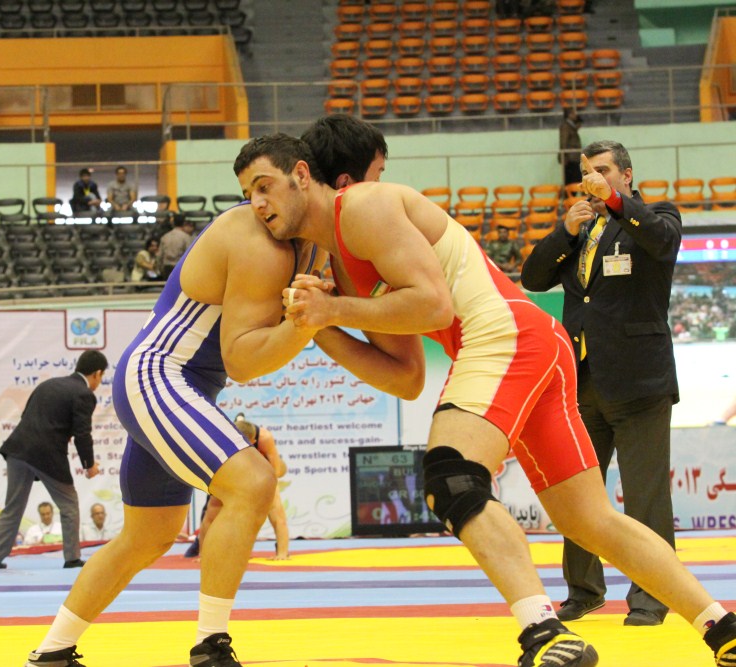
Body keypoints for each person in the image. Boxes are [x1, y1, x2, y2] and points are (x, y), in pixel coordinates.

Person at [253, 124, 736, 667]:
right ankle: (724, 629)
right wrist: (318, 326)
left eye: (263, 188)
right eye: (378, 171)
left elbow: (435, 307)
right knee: (589, 520)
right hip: (531, 341)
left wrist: (334, 310)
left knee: (451, 478)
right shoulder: (344, 259)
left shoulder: (364, 207)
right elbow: (405, 377)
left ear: (317, 179)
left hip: (503, 336)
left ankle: (544, 632)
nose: (383, 182)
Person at [21, 137, 325, 667]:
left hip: (176, 385)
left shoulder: (307, 245)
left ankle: (51, 652)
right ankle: (210, 646)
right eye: (250, 191)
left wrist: (320, 316)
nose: (257, 203)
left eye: (263, 188)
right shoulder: (256, 241)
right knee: (254, 482)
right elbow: (244, 363)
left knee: (149, 535)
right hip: (159, 376)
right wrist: (310, 323)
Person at [521, 141, 681, 627]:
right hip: (584, 381)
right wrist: (564, 231)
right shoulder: (583, 228)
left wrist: (613, 202)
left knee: (645, 497)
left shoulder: (658, 215)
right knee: (578, 494)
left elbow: (661, 240)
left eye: (604, 170)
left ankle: (653, 595)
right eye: (588, 171)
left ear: (627, 175)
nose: (593, 178)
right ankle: (584, 590)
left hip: (640, 382)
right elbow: (533, 278)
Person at [0, 351, 107, 571]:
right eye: (101, 377)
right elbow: (82, 434)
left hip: (17, 450)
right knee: (69, 505)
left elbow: (29, 418)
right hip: (47, 455)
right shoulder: (84, 394)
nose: (99, 382)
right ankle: (72, 558)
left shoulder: (48, 385)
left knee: (12, 507)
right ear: (97, 373)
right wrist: (89, 465)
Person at [186, 419, 291, 561]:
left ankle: (283, 552)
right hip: (232, 472)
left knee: (275, 511)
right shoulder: (222, 440)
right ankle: (204, 553)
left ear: (254, 441)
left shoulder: (265, 438)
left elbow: (276, 471)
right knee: (212, 512)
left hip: (260, 472)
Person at [560, 108, 584, 187]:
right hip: (570, 158)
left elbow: (579, 123)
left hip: (573, 157)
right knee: (571, 181)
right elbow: (563, 142)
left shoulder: (571, 125)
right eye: (574, 113)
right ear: (569, 115)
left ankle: (571, 194)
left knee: (576, 179)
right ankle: (568, 194)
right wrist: (564, 156)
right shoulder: (566, 126)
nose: (576, 115)